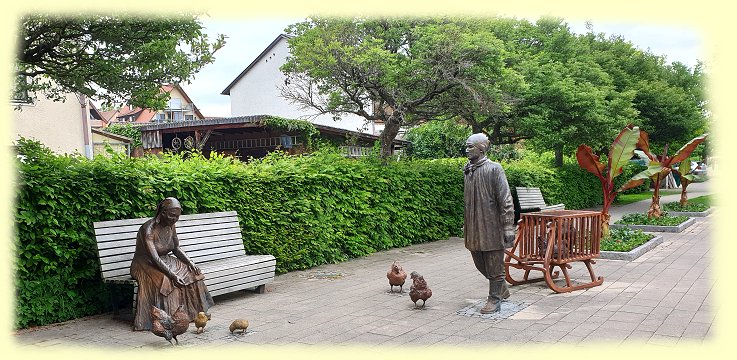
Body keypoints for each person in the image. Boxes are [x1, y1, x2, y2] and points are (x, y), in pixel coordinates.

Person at [130, 197, 214, 331]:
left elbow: (176, 248)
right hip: (145, 263)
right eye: (172, 216)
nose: (174, 219)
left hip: (165, 259)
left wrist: (190, 262)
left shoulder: (171, 225)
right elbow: (155, 258)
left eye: (177, 216)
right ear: (162, 213)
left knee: (193, 272)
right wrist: (173, 274)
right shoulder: (148, 229)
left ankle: (194, 312)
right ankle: (168, 319)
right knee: (167, 280)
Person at [463, 133, 515, 314]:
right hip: (474, 226)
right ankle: (501, 288)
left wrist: (508, 226)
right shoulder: (468, 169)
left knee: (494, 265)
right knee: (479, 262)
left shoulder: (494, 169)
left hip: (492, 226)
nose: (467, 149)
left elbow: (506, 199)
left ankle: (494, 299)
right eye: (467, 146)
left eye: (470, 146)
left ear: (481, 148)